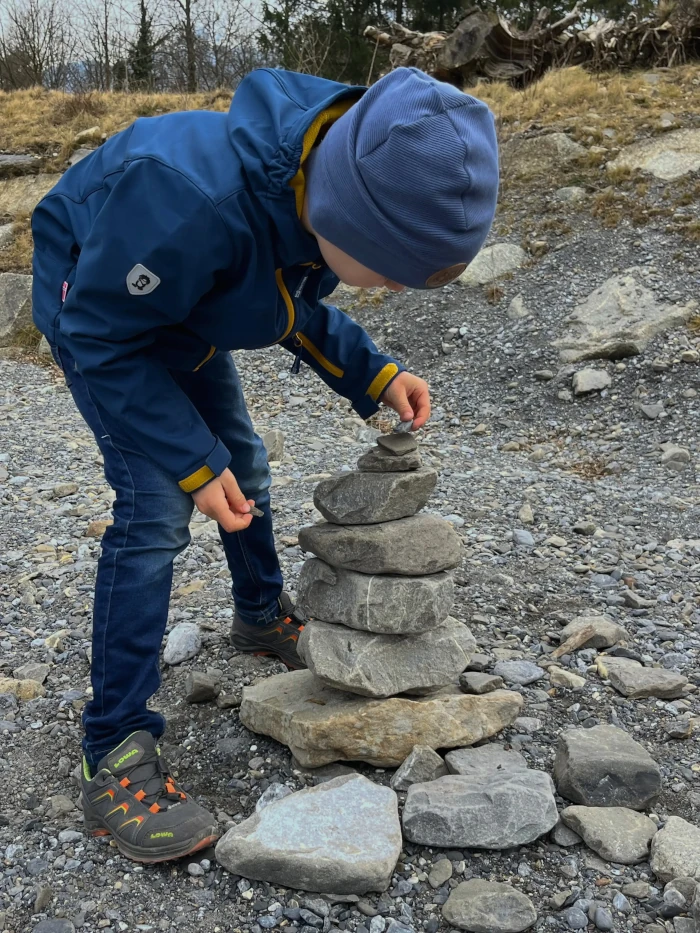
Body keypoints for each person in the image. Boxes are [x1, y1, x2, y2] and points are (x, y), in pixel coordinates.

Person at [31, 65, 499, 863]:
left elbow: (280, 301)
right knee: (156, 507)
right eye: (390, 270)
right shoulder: (192, 202)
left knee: (241, 457)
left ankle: (259, 611)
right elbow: (100, 332)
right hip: (101, 316)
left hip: (182, 309)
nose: (388, 285)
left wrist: (373, 371)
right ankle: (112, 743)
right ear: (346, 213)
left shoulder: (313, 183)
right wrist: (188, 458)